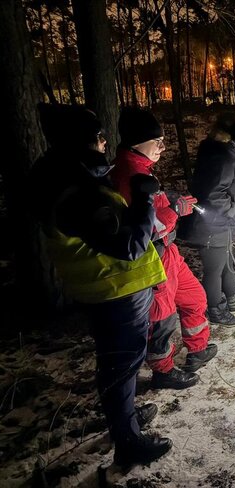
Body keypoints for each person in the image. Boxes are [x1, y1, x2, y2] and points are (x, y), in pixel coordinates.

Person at [31, 104, 173, 467]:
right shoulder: (73, 192)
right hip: (114, 291)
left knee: (123, 362)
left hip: (114, 289)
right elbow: (129, 246)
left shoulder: (72, 178)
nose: (105, 141)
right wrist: (144, 200)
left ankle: (125, 420)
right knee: (120, 366)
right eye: (97, 136)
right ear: (79, 141)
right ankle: (128, 441)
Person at [111, 107, 217, 390]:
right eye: (156, 141)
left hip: (169, 253)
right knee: (161, 317)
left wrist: (169, 199)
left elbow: (151, 206)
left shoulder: (141, 169)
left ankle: (198, 349)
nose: (163, 146)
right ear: (137, 142)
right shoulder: (128, 176)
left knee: (195, 297)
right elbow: (141, 230)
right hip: (152, 259)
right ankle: (164, 371)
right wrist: (174, 211)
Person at [177, 112, 235, 326]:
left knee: (226, 263)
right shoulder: (220, 157)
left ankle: (233, 300)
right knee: (214, 270)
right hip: (211, 226)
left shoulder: (219, 152)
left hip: (219, 224)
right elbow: (213, 194)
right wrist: (232, 213)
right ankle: (214, 309)